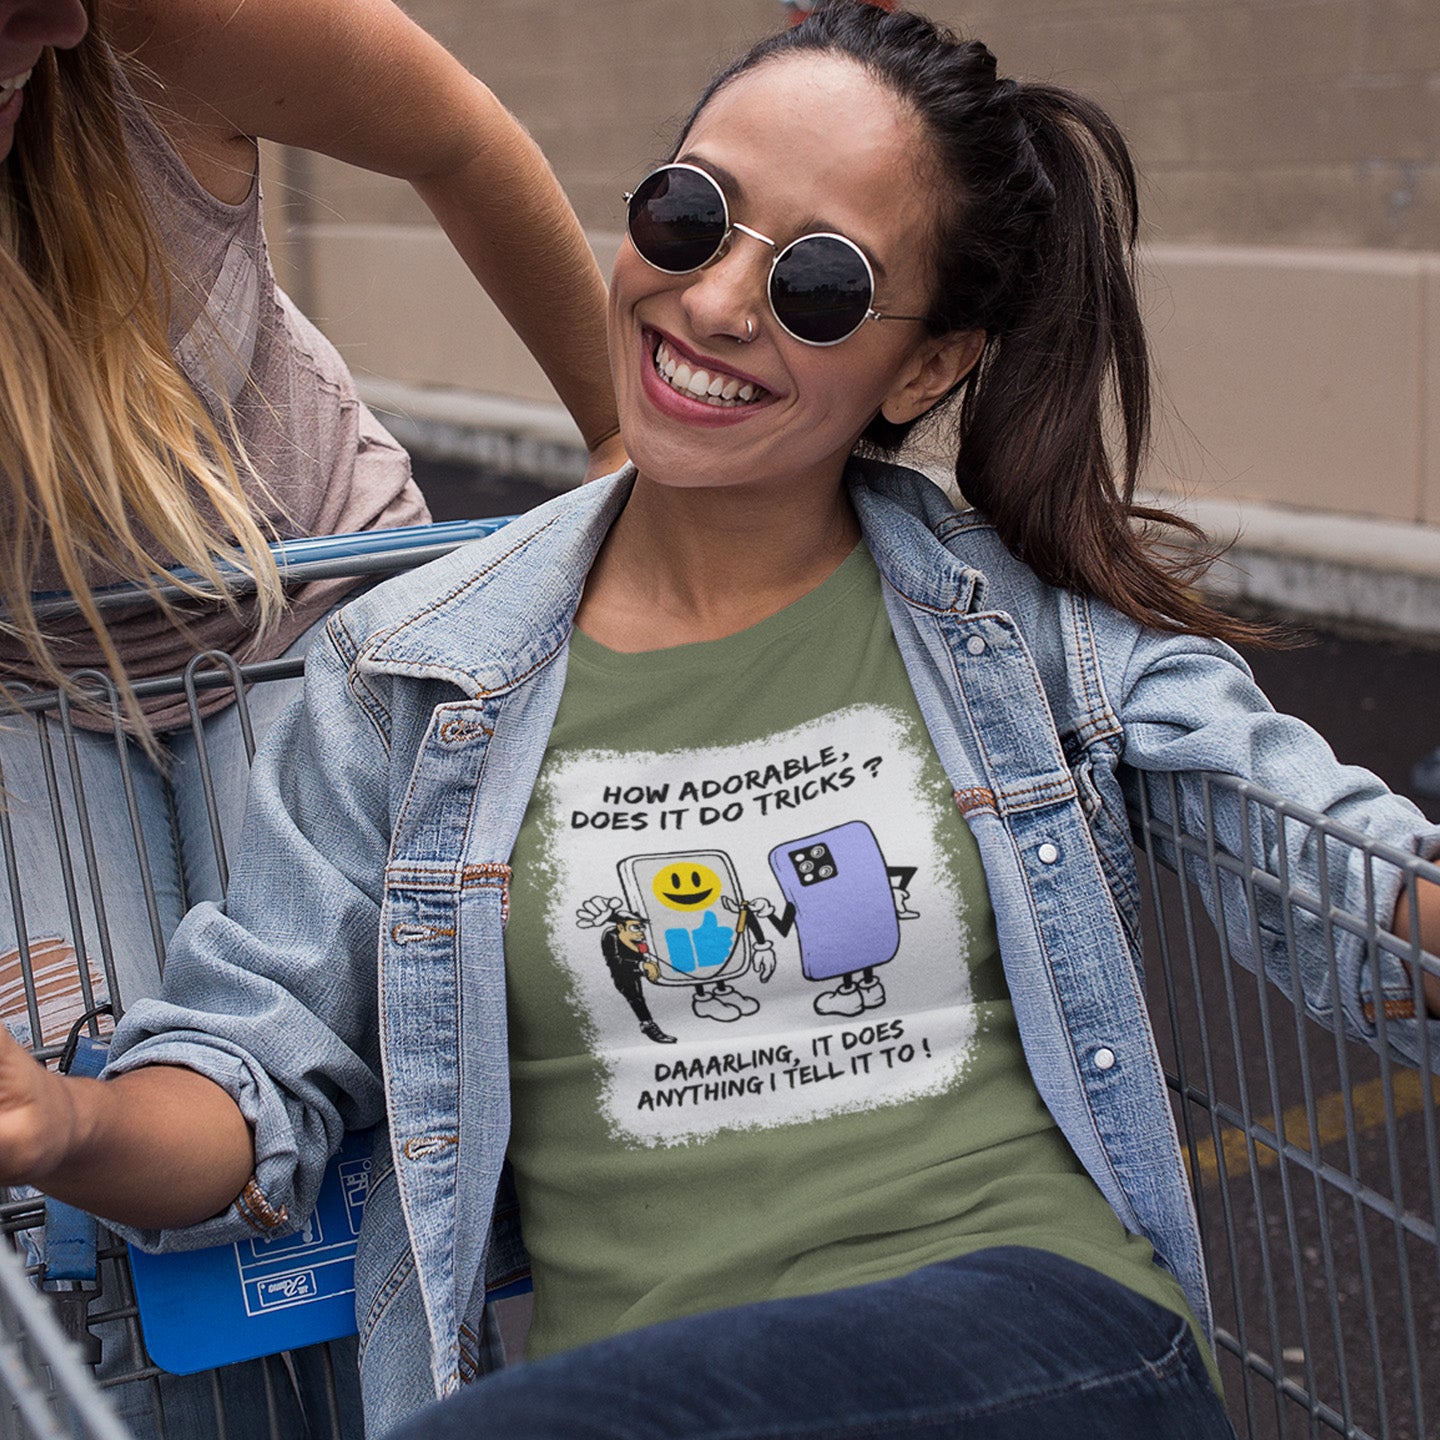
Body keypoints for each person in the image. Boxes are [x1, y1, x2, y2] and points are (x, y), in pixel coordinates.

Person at [0, 3, 1437, 1436]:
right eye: (689, 216)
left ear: (930, 365)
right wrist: (66, 1123)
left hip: (1031, 1345)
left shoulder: (1034, 635)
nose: (715, 301)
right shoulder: (408, 680)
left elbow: (1336, 869)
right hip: (646, 1389)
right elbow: (252, 1070)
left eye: (819, 284)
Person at [0, 0, 622, 1047]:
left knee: (359, 1040)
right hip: (30, 680)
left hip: (308, 614)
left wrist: (620, 442)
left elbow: (458, 136)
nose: (63, 23)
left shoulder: (158, 25)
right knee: (73, 1087)